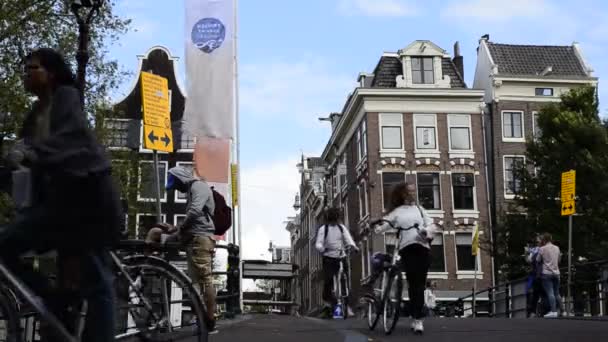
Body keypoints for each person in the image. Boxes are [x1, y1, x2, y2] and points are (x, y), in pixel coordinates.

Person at [0, 48, 122, 341]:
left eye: (33, 68)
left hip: (90, 202)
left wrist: (31, 151)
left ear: (51, 73)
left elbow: (71, 138)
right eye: (24, 70)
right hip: (60, 208)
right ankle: (51, 298)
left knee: (97, 282)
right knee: (6, 246)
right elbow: (20, 165)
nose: (26, 74)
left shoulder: (66, 97)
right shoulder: (34, 117)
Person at [148, 165, 218, 333]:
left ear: (181, 179)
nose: (177, 189)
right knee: (196, 281)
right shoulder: (192, 190)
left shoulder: (198, 186)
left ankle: (210, 320)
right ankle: (202, 318)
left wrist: (179, 229)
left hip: (199, 239)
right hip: (193, 239)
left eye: (176, 185)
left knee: (204, 280)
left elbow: (195, 212)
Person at [374, 182, 435, 334]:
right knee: (413, 282)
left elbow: (432, 225)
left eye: (414, 191)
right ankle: (415, 315)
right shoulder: (397, 212)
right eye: (409, 191)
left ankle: (417, 318)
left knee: (419, 284)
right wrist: (376, 225)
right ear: (403, 194)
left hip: (422, 248)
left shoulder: (420, 210)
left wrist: (426, 232)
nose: (413, 194)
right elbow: (382, 227)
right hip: (407, 249)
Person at [315, 207, 358, 318]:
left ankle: (347, 307)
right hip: (329, 257)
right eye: (332, 220)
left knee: (345, 281)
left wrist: (353, 246)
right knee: (328, 280)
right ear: (329, 219)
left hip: (341, 256)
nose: (334, 222)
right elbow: (318, 243)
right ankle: (327, 304)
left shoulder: (341, 228)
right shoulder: (323, 229)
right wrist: (322, 249)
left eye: (335, 219)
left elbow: (348, 239)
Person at [538, 232, 562, 318]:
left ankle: (553, 311)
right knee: (557, 293)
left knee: (550, 293)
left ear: (544, 240)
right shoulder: (557, 248)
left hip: (546, 273)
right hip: (556, 273)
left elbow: (538, 260)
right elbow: (559, 260)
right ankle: (561, 311)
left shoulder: (542, 249)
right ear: (551, 239)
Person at [525, 235, 546, 317]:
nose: (537, 243)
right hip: (535, 274)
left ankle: (539, 311)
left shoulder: (545, 249)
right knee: (532, 292)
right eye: (536, 241)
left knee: (541, 293)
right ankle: (532, 311)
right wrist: (526, 254)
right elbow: (528, 260)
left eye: (538, 241)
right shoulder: (534, 249)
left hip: (541, 274)